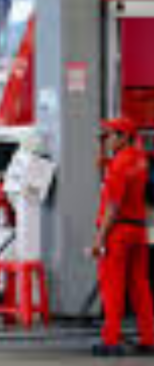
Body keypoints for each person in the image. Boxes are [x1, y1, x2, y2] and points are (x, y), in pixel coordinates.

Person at [90, 117, 154, 357]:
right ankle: (149, 338)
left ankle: (111, 340)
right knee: (140, 287)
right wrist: (102, 149)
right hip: (139, 230)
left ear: (124, 137)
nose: (108, 139)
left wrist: (99, 238)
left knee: (112, 287)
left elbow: (113, 206)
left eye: (111, 134)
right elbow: (111, 168)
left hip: (118, 232)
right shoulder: (140, 159)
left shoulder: (118, 165)